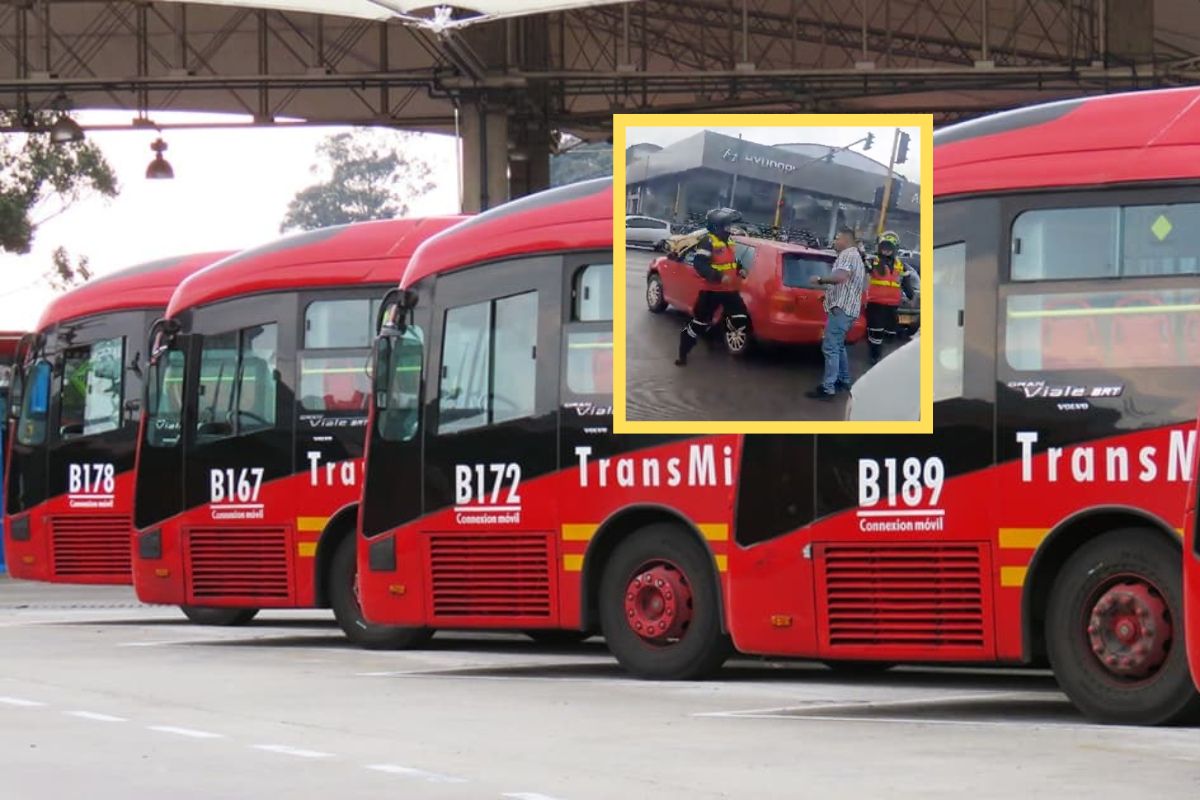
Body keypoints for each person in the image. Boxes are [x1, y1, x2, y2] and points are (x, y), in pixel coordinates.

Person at [675, 207, 749, 367]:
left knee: (741, 319)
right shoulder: (708, 241)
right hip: (711, 291)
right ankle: (683, 353)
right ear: (717, 226)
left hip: (729, 291)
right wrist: (720, 276)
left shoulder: (729, 241)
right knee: (699, 324)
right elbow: (699, 264)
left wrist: (740, 269)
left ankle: (715, 330)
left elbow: (732, 261)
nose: (730, 229)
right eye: (727, 226)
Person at [805, 226, 866, 400]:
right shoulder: (856, 256)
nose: (834, 241)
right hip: (848, 309)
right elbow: (846, 285)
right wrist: (828, 296)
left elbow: (841, 277)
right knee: (838, 346)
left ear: (846, 239)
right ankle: (843, 379)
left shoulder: (847, 255)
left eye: (837, 238)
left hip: (842, 310)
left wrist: (820, 280)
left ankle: (828, 388)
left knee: (830, 347)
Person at [864, 230, 910, 365]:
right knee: (875, 331)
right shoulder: (874, 261)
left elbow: (905, 280)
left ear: (894, 249)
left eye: (889, 248)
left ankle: (881, 355)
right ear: (879, 247)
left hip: (892, 304)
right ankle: (874, 356)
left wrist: (910, 294)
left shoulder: (899, 264)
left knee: (890, 333)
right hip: (876, 302)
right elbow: (866, 270)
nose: (886, 251)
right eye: (884, 247)